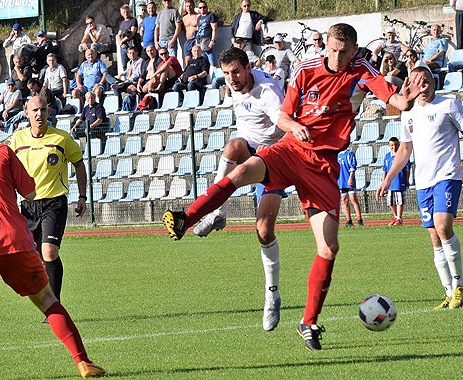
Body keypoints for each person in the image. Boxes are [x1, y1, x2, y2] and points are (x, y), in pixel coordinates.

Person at [162, 23, 422, 351]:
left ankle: (308, 322)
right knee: (242, 170)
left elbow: (394, 98)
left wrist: (407, 98)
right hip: (289, 150)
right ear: (326, 46)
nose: (338, 57)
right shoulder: (305, 69)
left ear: (354, 50)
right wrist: (295, 126)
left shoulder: (360, 69)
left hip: (324, 166)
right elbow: (282, 118)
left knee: (328, 248)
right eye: (333, 50)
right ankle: (187, 217)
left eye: (344, 51)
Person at [376, 66, 463, 312]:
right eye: (418, 81)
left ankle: (459, 284)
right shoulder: (408, 114)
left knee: (442, 226)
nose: (423, 85)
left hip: (448, 176)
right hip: (423, 182)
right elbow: (405, 150)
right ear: (411, 85)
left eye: (426, 80)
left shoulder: (449, 105)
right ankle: (448, 292)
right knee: (434, 236)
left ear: (433, 82)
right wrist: (388, 178)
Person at [0, 143, 105, 379]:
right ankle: (83, 362)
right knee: (48, 301)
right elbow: (30, 193)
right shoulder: (1, 151)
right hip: (15, 241)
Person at [192, 47, 286, 331]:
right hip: (249, 150)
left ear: (248, 68)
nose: (231, 78)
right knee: (233, 145)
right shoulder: (232, 88)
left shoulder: (267, 90)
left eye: (236, 72)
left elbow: (281, 119)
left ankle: (272, 295)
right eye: (226, 74)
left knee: (263, 230)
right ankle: (216, 213)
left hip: (275, 158)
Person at [9, 95, 88, 305]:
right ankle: (45, 298)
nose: (39, 114)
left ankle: (54, 303)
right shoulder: (17, 140)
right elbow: (7, 171)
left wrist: (82, 196)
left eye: (43, 110)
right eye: (35, 110)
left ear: (49, 112)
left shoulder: (61, 138)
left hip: (54, 202)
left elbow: (79, 164)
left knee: (49, 252)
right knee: (35, 257)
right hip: (27, 206)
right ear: (26, 113)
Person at [382, 137, 410, 226]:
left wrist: (406, 179)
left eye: (396, 145)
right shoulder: (387, 156)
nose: (394, 147)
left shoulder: (402, 155)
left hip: (399, 181)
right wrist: (384, 181)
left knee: (399, 201)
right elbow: (384, 169)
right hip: (390, 183)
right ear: (389, 146)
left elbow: (407, 169)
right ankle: (395, 216)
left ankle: (399, 218)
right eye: (392, 145)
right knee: (390, 201)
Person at [337, 148, 363, 227]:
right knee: (344, 200)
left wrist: (351, 178)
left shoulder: (349, 153)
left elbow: (353, 166)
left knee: (353, 199)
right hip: (341, 181)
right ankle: (348, 220)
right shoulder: (337, 154)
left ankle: (359, 219)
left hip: (349, 180)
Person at [116, 4, 140, 70]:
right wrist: (120, 43)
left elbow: (132, 34)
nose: (125, 13)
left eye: (127, 12)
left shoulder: (133, 20)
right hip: (123, 47)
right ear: (121, 13)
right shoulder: (122, 23)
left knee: (134, 64)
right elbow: (118, 34)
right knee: (125, 65)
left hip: (131, 46)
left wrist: (122, 41)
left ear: (129, 12)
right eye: (124, 12)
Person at [196, 1, 218, 70]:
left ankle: (215, 80)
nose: (202, 9)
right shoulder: (199, 18)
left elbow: (214, 29)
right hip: (200, 42)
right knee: (203, 63)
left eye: (204, 7)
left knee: (213, 62)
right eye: (200, 7)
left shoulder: (210, 15)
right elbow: (198, 29)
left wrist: (212, 41)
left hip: (207, 41)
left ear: (207, 7)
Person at [181, 0, 198, 66]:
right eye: (187, 6)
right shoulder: (184, 18)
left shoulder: (198, 16)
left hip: (195, 40)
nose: (189, 8)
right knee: (187, 60)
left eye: (190, 6)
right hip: (188, 41)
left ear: (193, 6)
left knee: (196, 60)